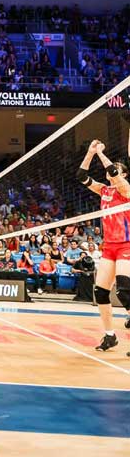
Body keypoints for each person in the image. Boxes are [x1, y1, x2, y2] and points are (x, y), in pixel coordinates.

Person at [77, 139, 130, 351]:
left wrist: (100, 152)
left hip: (127, 245)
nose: (112, 170)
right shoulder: (104, 191)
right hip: (109, 247)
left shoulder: (126, 190)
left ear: (124, 174)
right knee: (100, 292)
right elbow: (81, 176)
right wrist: (90, 152)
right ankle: (110, 335)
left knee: (124, 290)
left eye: (118, 169)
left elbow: (113, 172)